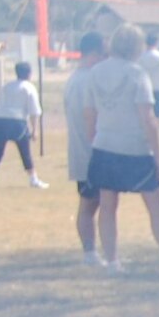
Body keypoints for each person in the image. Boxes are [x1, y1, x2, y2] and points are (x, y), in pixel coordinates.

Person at [83, 24, 159, 274]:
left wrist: (94, 142)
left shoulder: (95, 72)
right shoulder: (136, 74)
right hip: (134, 149)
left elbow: (89, 113)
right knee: (155, 207)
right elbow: (148, 118)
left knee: (108, 206)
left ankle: (112, 262)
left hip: (105, 147)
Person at [64, 32, 108, 263]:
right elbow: (92, 118)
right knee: (90, 204)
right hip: (89, 154)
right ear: (93, 54)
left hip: (89, 152)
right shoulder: (85, 81)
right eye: (104, 54)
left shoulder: (79, 79)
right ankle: (90, 253)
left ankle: (99, 252)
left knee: (97, 203)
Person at [0, 60, 45, 188]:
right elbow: (34, 111)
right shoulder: (29, 87)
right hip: (16, 121)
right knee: (25, 151)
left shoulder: (7, 86)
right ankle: (33, 179)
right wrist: (35, 130)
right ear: (29, 73)